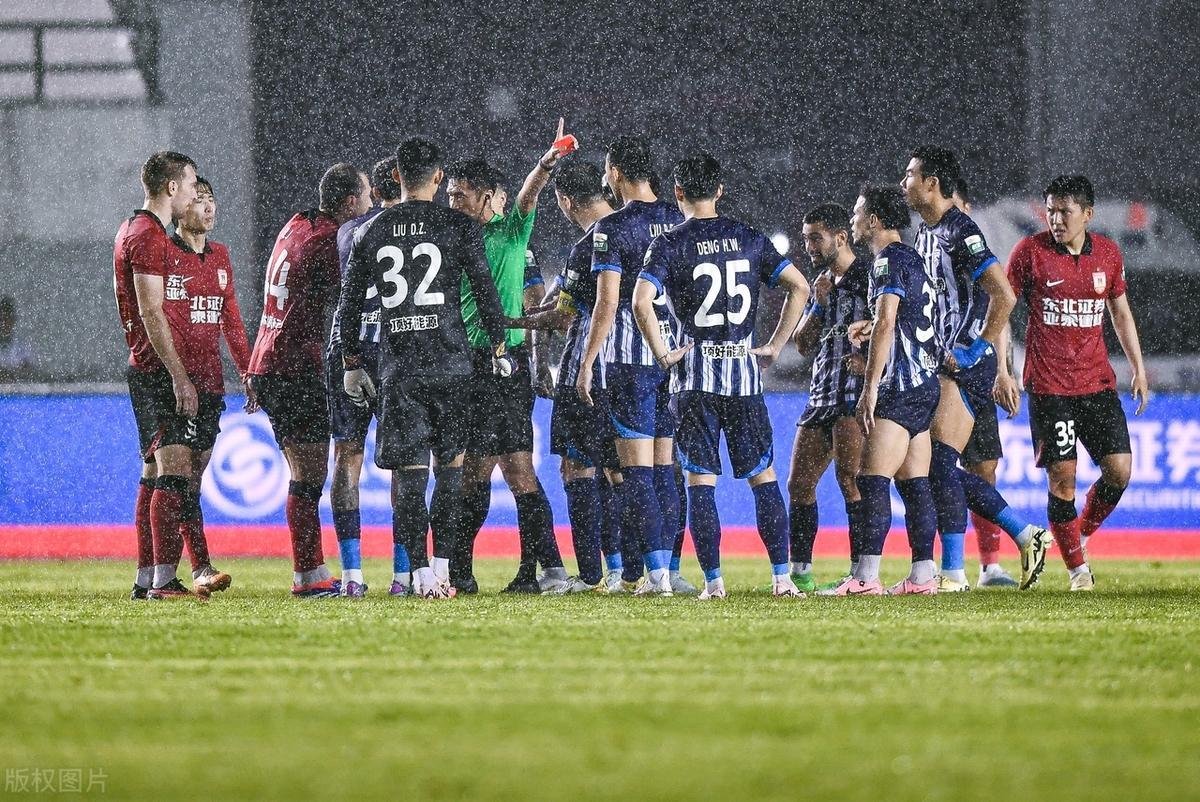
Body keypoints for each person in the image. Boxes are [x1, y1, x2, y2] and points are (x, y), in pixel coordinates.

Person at [336, 136, 512, 599]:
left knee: (410, 480)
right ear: (438, 177)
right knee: (450, 472)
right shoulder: (457, 226)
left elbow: (348, 305)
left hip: (401, 370)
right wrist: (499, 345)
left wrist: (351, 361)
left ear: (395, 176)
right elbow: (485, 292)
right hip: (452, 365)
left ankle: (418, 576)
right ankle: (443, 569)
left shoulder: (369, 231)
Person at [635, 153, 811, 598]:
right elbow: (800, 286)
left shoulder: (670, 243)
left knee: (700, 482)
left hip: (695, 377)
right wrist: (775, 344)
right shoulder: (748, 237)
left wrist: (662, 354)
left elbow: (641, 301)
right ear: (719, 190)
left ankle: (714, 583)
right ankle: (782, 578)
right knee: (763, 478)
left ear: (678, 192)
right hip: (743, 375)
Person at [902, 145, 1052, 592]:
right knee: (938, 466)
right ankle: (1007, 544)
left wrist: (976, 350)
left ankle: (963, 567)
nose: (904, 183)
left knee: (940, 463)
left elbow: (1004, 295)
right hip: (941, 361)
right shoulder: (925, 234)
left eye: (910, 175)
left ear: (931, 183)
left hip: (964, 365)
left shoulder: (959, 230)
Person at [444, 122, 573, 594]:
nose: (452, 202)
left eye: (460, 195)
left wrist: (545, 164)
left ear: (485, 198)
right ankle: (465, 572)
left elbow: (527, 196)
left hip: (505, 364)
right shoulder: (448, 238)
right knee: (475, 473)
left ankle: (540, 571)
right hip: (465, 366)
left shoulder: (511, 233)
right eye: (449, 194)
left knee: (516, 470)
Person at [1007, 174, 1149, 591]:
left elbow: (1120, 313)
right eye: (1050, 211)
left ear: (1087, 214)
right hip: (1049, 388)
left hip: (1097, 384)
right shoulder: (1029, 252)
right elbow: (1002, 309)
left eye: (1064, 211)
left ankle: (1078, 535)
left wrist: (1138, 368)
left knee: (1119, 471)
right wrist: (1004, 368)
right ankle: (1077, 571)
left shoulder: (1107, 253)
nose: (1056, 219)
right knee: (1062, 479)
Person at [247, 162, 372, 597]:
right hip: (293, 367)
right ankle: (308, 574)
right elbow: (353, 292)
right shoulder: (327, 242)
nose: (370, 204)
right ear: (351, 202)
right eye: (367, 197)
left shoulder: (298, 224)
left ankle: (311, 570)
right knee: (309, 475)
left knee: (305, 473)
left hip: (270, 360)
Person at [576, 134, 685, 596]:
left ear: (616, 172)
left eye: (607, 169)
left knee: (637, 472)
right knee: (665, 470)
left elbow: (607, 302)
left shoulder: (611, 228)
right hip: (674, 356)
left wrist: (586, 362)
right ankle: (671, 572)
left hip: (630, 358)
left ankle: (655, 576)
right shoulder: (679, 219)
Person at [820, 185, 942, 595]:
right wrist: (871, 328)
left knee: (870, 480)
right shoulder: (913, 258)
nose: (853, 220)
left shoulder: (886, 261)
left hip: (901, 385)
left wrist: (870, 387)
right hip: (925, 384)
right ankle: (922, 577)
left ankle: (865, 578)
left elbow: (889, 321)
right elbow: (907, 320)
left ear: (873, 220)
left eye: (858, 213)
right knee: (914, 483)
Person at [507, 160, 620, 593]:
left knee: (578, 468)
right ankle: (632, 569)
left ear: (566, 201)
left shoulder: (590, 244)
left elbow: (562, 314)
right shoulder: (640, 231)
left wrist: (512, 320)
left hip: (586, 370)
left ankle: (591, 575)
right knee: (625, 468)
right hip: (633, 368)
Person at [113, 150, 203, 600]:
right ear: (171, 187)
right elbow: (150, 310)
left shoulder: (130, 228)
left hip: (144, 365)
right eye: (190, 184)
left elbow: (129, 306)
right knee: (175, 468)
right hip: (156, 370)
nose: (194, 193)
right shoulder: (148, 236)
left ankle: (146, 576)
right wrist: (178, 375)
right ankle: (164, 581)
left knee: (153, 472)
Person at [326, 157, 413, 598]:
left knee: (347, 457)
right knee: (407, 463)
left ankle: (352, 576)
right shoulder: (416, 230)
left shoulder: (349, 230)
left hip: (350, 347)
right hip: (398, 352)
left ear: (375, 192)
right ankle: (403, 576)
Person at [165, 175, 254, 596]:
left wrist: (248, 372)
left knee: (192, 480)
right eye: (198, 199)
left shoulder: (220, 256)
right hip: (174, 386)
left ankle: (168, 568)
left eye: (211, 199)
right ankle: (196, 566)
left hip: (211, 385)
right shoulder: (165, 254)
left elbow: (231, 322)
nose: (208, 206)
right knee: (179, 477)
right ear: (180, 207)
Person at [788, 203, 870, 592]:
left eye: (816, 238)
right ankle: (800, 574)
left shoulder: (869, 278)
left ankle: (860, 573)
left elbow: (892, 327)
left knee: (850, 480)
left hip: (853, 396)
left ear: (840, 237)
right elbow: (803, 344)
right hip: (821, 394)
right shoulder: (821, 282)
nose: (809, 247)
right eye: (806, 239)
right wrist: (819, 306)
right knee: (798, 484)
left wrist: (868, 362)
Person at [951, 178, 1019, 587]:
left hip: (977, 374)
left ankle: (989, 566)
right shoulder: (930, 251)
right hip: (941, 373)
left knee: (983, 470)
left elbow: (1001, 311)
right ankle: (942, 565)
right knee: (936, 467)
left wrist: (1003, 371)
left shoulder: (976, 253)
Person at [0, 296, 37, 381]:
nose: (3, 323)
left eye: (7, 319)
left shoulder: (22, 345)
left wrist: (10, 374)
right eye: (1, 319)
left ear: (13, 320)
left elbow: (28, 370)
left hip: (17, 387)